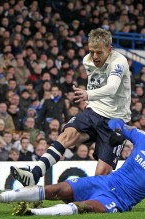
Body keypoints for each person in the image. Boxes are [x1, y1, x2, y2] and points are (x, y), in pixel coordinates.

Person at [0, 120, 145, 215]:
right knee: (57, 189)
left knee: (82, 207)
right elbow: (116, 123)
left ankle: (31, 212)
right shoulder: (143, 139)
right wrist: (116, 134)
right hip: (105, 182)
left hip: (120, 201)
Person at [10, 28, 132, 186]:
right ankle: (34, 175)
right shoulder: (87, 61)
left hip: (115, 121)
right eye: (92, 51)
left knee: (102, 172)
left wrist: (88, 95)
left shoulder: (119, 62)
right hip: (94, 111)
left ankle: (98, 200)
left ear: (110, 49)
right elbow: (96, 82)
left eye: (99, 52)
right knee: (66, 135)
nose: (94, 56)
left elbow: (112, 88)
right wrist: (90, 101)